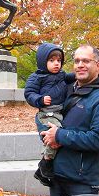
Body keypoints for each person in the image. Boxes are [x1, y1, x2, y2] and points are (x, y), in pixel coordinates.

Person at [40, 45, 99, 196]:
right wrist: (47, 135)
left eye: (86, 61)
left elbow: (98, 139)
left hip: (81, 182)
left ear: (98, 65)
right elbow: (46, 117)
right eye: (76, 61)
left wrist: (60, 136)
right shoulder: (65, 89)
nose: (80, 65)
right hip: (57, 176)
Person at [24, 43, 75, 187]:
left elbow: (70, 78)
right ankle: (45, 162)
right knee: (55, 135)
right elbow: (29, 93)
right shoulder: (37, 77)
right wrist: (40, 99)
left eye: (59, 61)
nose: (56, 64)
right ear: (43, 61)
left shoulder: (62, 76)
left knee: (63, 135)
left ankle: (44, 168)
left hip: (60, 112)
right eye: (52, 61)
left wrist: (80, 73)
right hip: (46, 114)